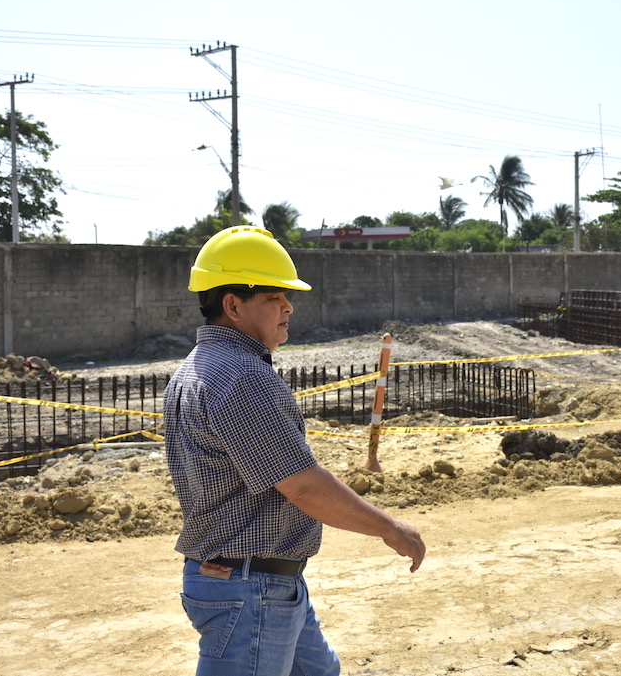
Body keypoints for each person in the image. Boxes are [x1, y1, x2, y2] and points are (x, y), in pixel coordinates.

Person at [163, 225, 426, 676]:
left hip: (259, 580)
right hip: (252, 586)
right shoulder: (242, 377)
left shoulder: (195, 369)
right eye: (272, 297)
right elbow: (302, 485)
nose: (288, 306)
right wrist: (390, 528)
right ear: (232, 304)